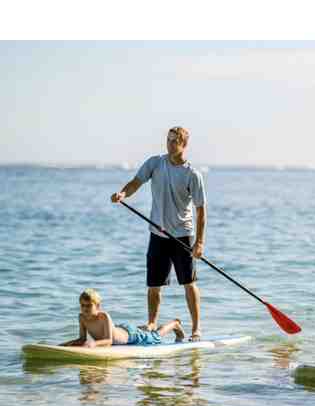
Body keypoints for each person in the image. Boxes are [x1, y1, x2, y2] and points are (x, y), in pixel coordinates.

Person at [111, 127, 207, 341]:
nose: (170, 145)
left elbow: (201, 211)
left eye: (175, 141)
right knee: (153, 285)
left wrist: (199, 242)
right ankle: (152, 322)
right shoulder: (155, 163)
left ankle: (196, 329)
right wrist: (123, 193)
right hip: (157, 233)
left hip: (182, 235)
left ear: (184, 144)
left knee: (188, 284)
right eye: (168, 140)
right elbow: (136, 182)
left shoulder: (192, 174)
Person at [61, 289, 185, 348]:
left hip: (130, 335)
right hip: (120, 329)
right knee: (148, 332)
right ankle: (143, 328)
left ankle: (175, 324)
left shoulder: (103, 316)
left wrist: (93, 343)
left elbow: (109, 341)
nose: (85, 308)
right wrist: (66, 345)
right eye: (82, 305)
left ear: (97, 306)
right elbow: (82, 339)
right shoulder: (82, 317)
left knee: (155, 336)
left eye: (89, 306)